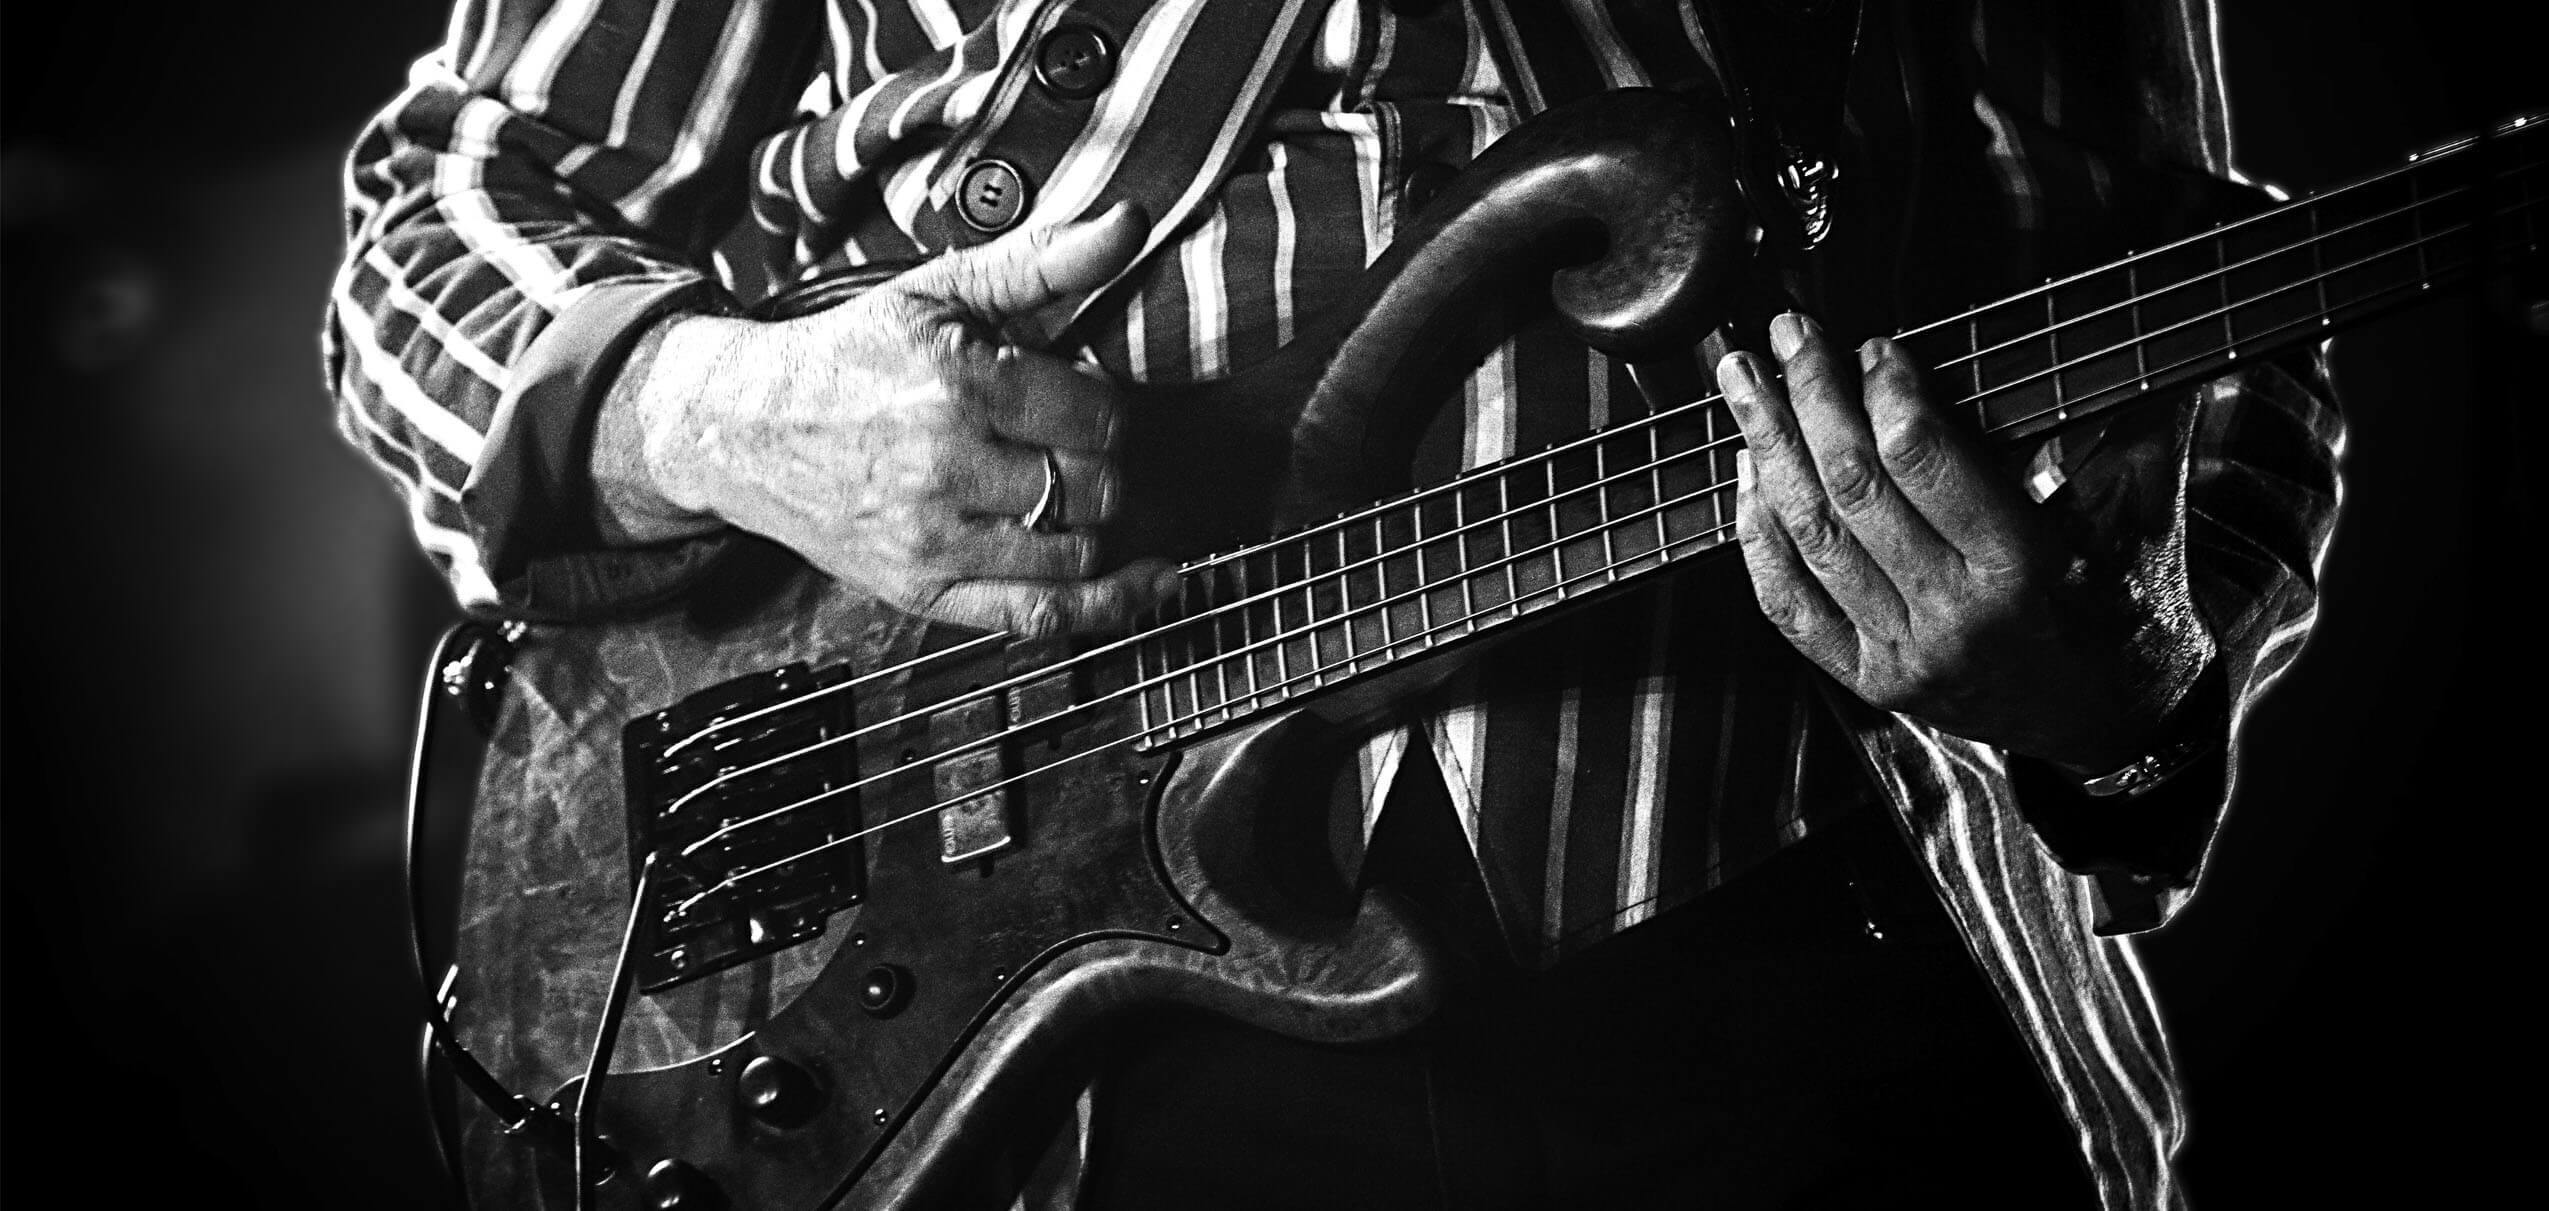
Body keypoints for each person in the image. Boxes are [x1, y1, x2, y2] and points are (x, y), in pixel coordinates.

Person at [325, 1, 2342, 1207]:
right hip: (1017, 1031)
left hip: (1807, 916)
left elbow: (2186, 272)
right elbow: (433, 222)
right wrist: (714, 405)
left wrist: (2120, 676)